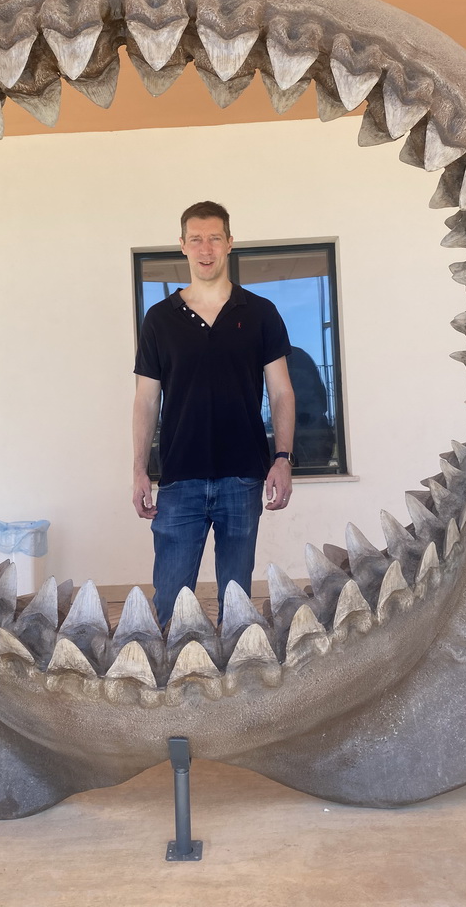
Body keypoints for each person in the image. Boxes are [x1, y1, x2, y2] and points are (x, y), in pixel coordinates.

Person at [132, 200, 295, 629]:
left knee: (237, 608)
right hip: (179, 480)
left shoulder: (260, 313)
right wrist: (138, 470)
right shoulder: (159, 320)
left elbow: (281, 392)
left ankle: (237, 691)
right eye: (196, 239)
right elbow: (146, 400)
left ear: (229, 244)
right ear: (182, 246)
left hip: (243, 478)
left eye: (215, 238)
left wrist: (283, 458)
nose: (206, 249)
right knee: (169, 605)